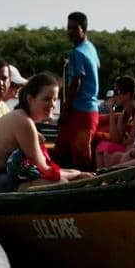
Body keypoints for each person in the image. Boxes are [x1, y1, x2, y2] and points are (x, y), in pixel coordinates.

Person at [0, 72, 94, 193]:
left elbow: (44, 167)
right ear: (30, 99)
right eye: (46, 99)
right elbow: (44, 169)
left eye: (55, 99)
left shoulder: (22, 117)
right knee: (60, 183)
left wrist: (76, 172)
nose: (52, 104)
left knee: (64, 179)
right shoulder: (23, 121)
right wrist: (76, 174)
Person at [56, 11, 100, 169]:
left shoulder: (77, 53)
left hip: (80, 112)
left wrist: (65, 110)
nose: (70, 32)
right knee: (67, 151)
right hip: (90, 111)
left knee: (76, 159)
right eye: (68, 28)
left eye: (74, 28)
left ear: (84, 29)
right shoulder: (90, 48)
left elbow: (77, 82)